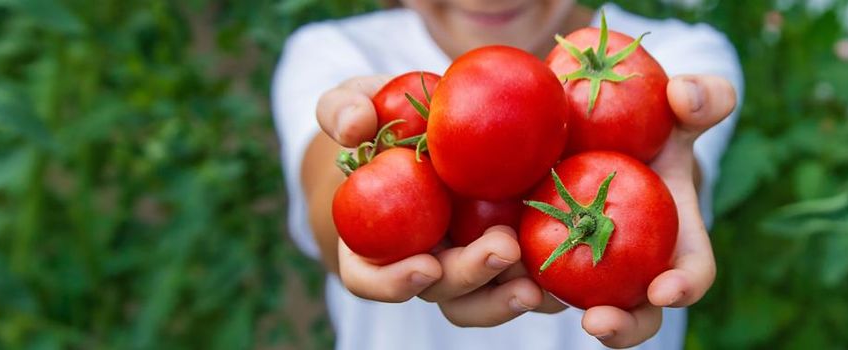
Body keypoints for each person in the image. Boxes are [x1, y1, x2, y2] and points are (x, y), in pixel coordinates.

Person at [271, 1, 741, 348]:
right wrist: (373, 177)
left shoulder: (677, 54)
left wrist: (671, 160)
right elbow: (331, 206)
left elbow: (676, 185)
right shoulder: (333, 51)